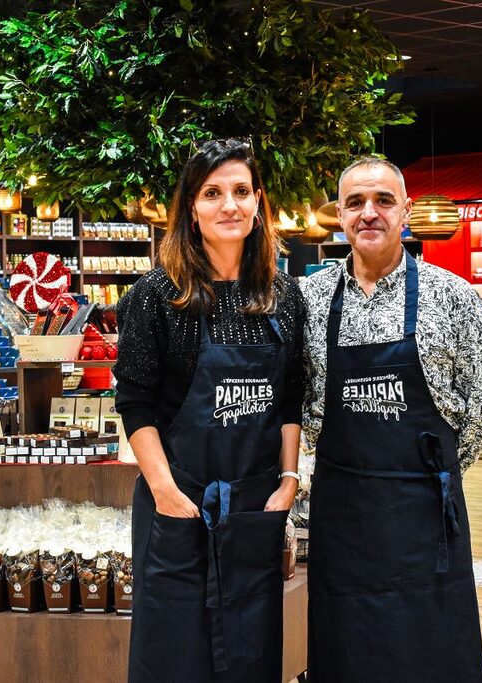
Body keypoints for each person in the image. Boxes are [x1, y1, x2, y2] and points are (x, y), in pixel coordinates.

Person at [301, 157, 482, 682]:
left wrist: (434, 475)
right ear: (339, 216)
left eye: (383, 201)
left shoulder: (452, 296)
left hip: (424, 518)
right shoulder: (309, 300)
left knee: (432, 652)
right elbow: (298, 402)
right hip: (341, 512)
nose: (369, 213)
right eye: (355, 203)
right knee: (347, 652)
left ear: (406, 211)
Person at [115, 138, 305, 683]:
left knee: (251, 651)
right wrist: (166, 493)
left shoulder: (282, 295)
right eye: (213, 193)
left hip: (252, 506)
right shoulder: (158, 295)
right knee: (176, 653)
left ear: (258, 204)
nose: (230, 205)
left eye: (241, 192)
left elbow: (290, 394)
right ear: (191, 209)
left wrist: (288, 480)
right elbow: (135, 402)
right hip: (180, 505)